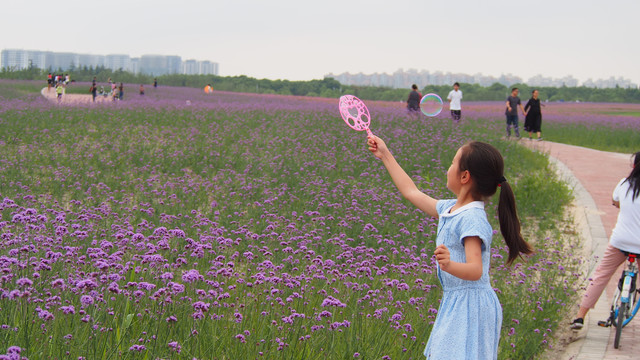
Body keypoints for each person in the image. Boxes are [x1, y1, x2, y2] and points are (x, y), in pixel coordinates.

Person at [366, 136, 533, 359]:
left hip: (471, 306)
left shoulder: (472, 218)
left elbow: (475, 270)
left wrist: (449, 263)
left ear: (465, 176)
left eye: (453, 163)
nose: (448, 168)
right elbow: (411, 192)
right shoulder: (451, 208)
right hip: (458, 301)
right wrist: (385, 155)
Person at [570, 152, 640, 330]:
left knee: (601, 275)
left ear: (634, 166)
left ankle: (580, 317)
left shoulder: (624, 184)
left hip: (620, 241)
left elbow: (615, 202)